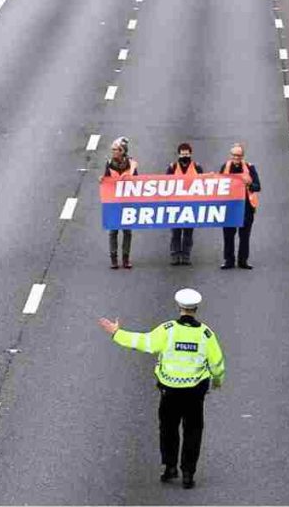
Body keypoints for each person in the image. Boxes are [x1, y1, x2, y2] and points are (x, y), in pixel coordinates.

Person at [98, 288, 225, 490]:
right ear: (196, 308)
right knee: (193, 430)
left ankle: (170, 467)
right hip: (195, 392)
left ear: (180, 307)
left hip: (170, 391)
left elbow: (143, 343)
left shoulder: (167, 330)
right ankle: (188, 473)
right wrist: (217, 382)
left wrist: (117, 333)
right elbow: (217, 364)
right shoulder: (206, 334)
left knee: (168, 429)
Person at [219, 143, 260, 270]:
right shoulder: (224, 167)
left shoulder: (250, 168)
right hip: (230, 207)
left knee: (244, 235)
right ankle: (228, 260)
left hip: (246, 207)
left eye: (238, 156)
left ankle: (243, 261)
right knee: (228, 235)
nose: (236, 158)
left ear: (242, 156)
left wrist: (249, 184)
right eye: (234, 155)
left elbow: (258, 186)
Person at [167, 143, 202, 266]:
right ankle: (175, 255)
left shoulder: (197, 167)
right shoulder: (172, 167)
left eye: (187, 153)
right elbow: (165, 184)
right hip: (175, 205)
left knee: (188, 233)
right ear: (179, 154)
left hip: (191, 204)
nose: (185, 155)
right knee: (175, 232)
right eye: (183, 153)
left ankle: (186, 255)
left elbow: (203, 184)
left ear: (190, 154)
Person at [106, 137, 138, 269]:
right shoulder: (109, 163)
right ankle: (113, 258)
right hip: (113, 201)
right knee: (113, 231)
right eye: (113, 150)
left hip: (127, 201)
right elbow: (107, 180)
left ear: (123, 151)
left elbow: (137, 181)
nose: (113, 152)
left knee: (127, 231)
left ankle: (126, 258)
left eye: (116, 150)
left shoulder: (132, 165)